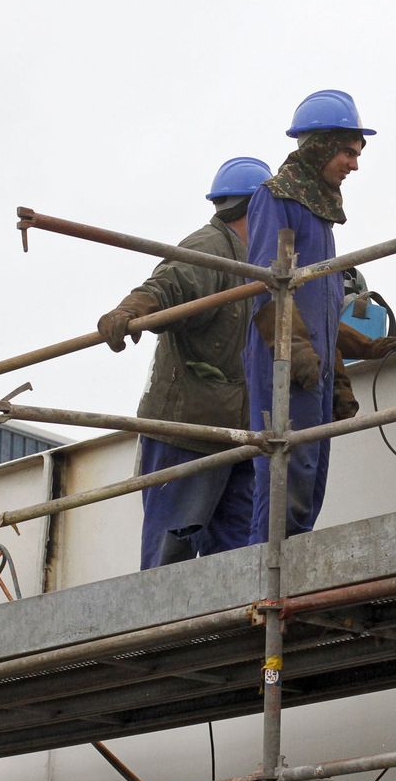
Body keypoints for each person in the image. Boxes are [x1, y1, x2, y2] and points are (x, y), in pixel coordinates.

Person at [97, 156, 271, 569]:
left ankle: (225, 624)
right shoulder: (211, 250)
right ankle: (160, 625)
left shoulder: (256, 261)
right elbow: (168, 285)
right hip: (187, 432)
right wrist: (131, 310)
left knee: (237, 550)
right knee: (172, 548)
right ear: (257, 208)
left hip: (240, 434)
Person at [244, 89, 375, 542]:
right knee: (285, 474)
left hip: (311, 365)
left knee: (310, 474)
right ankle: (266, 580)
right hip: (283, 361)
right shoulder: (275, 198)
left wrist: (348, 361)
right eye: (346, 151)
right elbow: (264, 286)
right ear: (319, 145)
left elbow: (321, 309)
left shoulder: (320, 214)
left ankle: (290, 577)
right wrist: (295, 350)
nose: (354, 164)